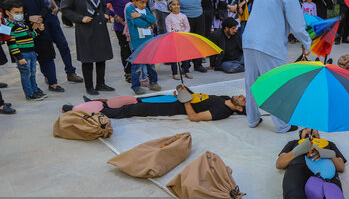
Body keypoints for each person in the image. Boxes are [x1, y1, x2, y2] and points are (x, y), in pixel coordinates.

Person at [243, 0, 312, 133]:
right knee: (276, 83)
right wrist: (308, 43)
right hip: (269, 43)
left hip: (249, 39)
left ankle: (252, 119)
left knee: (251, 82)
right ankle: (282, 125)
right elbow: (297, 27)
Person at [0, 0, 64, 93]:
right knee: (27, 65)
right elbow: (4, 14)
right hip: (19, 35)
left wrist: (39, 19)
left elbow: (44, 6)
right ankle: (31, 90)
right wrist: (29, 18)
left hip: (38, 28)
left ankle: (53, 82)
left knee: (47, 56)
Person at [60, 0, 113, 95]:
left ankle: (101, 83)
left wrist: (106, 13)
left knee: (102, 57)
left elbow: (104, 4)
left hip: (100, 26)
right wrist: (80, 18)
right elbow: (65, 9)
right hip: (85, 28)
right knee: (88, 58)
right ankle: (89, 86)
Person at [64, 86, 246, 122]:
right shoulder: (224, 97)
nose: (241, 96)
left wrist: (185, 100)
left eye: (243, 100)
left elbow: (194, 117)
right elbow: (199, 97)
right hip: (174, 99)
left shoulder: (222, 111)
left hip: (172, 107)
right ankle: (94, 103)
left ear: (239, 108)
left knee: (131, 109)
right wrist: (186, 91)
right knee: (133, 99)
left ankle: (78, 112)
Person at [165, 0, 207, 73]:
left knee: (198, 41)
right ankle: (185, 67)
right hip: (182, 17)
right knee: (185, 44)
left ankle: (198, 64)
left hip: (198, 15)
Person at [3, 0, 47, 100]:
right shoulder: (9, 26)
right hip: (23, 55)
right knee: (25, 74)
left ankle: (35, 90)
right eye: (16, 12)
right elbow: (11, 43)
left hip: (31, 52)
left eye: (21, 12)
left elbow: (30, 36)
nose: (20, 14)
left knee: (32, 72)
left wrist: (39, 32)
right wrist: (19, 57)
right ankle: (30, 94)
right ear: (8, 13)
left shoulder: (22, 23)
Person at [126, 0, 160, 95]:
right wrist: (148, 22)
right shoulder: (130, 9)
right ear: (134, 1)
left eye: (146, 2)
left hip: (149, 41)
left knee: (151, 64)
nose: (144, 5)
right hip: (138, 43)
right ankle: (136, 86)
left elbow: (154, 21)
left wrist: (142, 15)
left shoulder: (144, 10)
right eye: (142, 2)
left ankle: (153, 82)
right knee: (137, 66)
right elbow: (138, 23)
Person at [104, 0, 132, 82]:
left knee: (133, 49)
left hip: (132, 26)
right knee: (125, 50)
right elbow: (101, 3)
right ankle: (128, 72)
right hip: (120, 28)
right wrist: (113, 14)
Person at [165, 0, 192, 80]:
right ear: (170, 7)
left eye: (178, 4)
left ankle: (186, 70)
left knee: (185, 56)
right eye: (173, 5)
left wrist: (184, 34)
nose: (176, 6)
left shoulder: (183, 16)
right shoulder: (169, 17)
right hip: (173, 39)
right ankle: (175, 73)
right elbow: (168, 29)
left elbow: (187, 27)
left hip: (183, 38)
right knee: (174, 57)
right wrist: (174, 35)